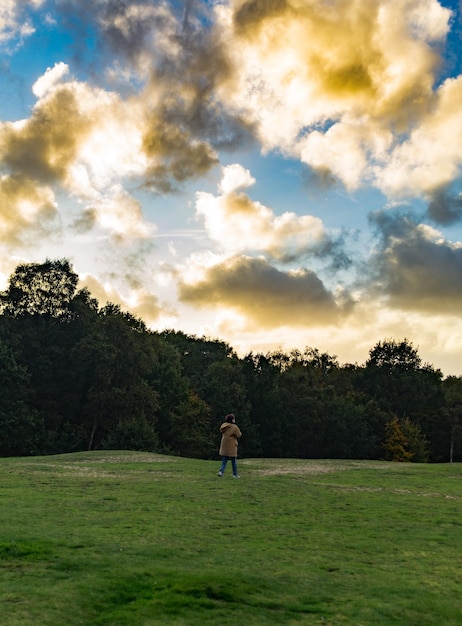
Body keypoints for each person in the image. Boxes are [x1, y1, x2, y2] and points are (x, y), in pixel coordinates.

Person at [217, 413, 242, 478]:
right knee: (233, 461)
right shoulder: (234, 427)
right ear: (232, 420)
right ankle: (235, 474)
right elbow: (239, 435)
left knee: (224, 461)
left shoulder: (223, 426)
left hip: (224, 445)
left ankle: (221, 472)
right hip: (232, 446)